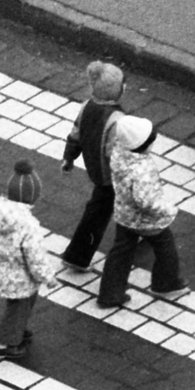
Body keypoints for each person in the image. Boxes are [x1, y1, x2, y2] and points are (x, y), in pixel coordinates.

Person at [97, 117, 188, 308]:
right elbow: (146, 202)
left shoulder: (118, 152)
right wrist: (168, 209)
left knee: (120, 252)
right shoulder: (141, 169)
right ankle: (165, 283)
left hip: (124, 214)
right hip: (147, 220)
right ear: (141, 145)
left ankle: (110, 293)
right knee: (165, 246)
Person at [0, 160, 56, 359]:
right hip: (21, 277)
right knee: (18, 308)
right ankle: (4, 344)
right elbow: (35, 257)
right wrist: (48, 277)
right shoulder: (28, 225)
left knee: (20, 306)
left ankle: (16, 330)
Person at [57, 61, 127, 270]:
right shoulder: (117, 119)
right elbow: (115, 153)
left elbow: (75, 133)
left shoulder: (86, 106)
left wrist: (69, 157)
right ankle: (77, 256)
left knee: (100, 207)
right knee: (97, 213)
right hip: (110, 176)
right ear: (116, 91)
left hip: (94, 168)